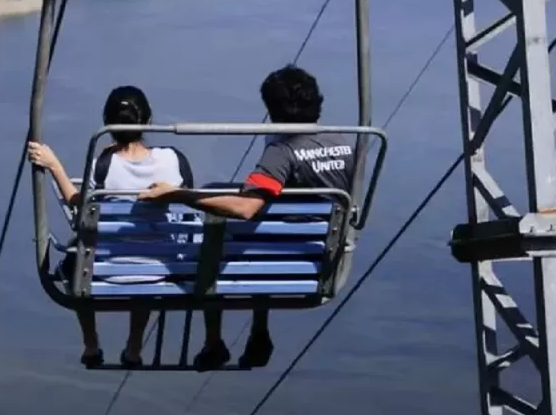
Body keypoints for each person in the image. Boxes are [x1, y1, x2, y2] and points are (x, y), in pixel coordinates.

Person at [139, 65, 355, 370]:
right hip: (322, 254)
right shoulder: (343, 141)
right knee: (262, 232)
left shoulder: (282, 151)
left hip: (282, 256)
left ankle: (213, 341)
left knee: (214, 235)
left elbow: (246, 208)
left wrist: (179, 194)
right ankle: (258, 329)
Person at [27, 85, 195, 368]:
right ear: (148, 120)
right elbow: (189, 198)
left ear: (108, 124)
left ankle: (91, 343)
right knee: (145, 262)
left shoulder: (104, 166)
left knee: (76, 260)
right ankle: (133, 347)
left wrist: (55, 166)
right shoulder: (173, 159)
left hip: (109, 267)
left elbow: (77, 205)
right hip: (160, 268)